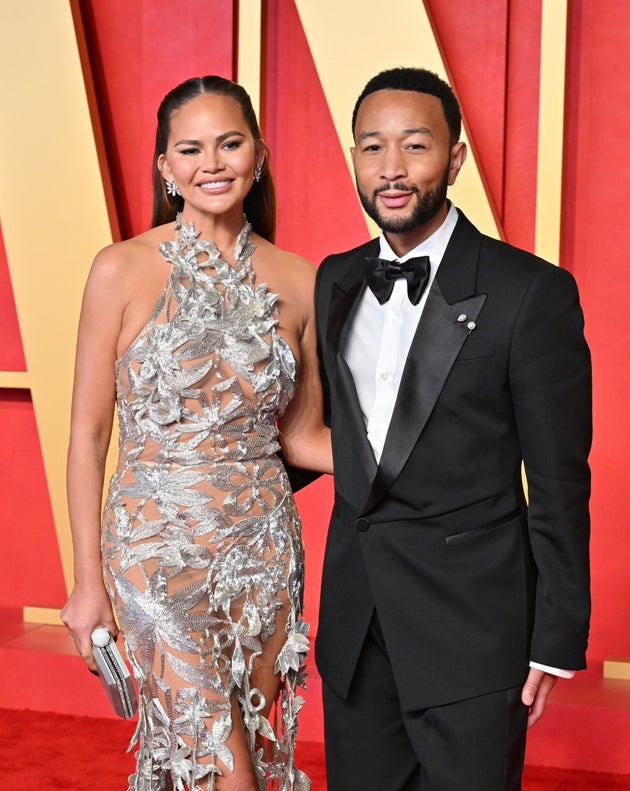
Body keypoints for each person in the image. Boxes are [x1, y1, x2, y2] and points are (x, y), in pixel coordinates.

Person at [314, 67, 591, 791]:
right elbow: (348, 440)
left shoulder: (530, 292)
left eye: (415, 146)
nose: (392, 169)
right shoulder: (334, 279)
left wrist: (555, 636)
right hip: (356, 626)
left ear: (456, 158)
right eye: (372, 148)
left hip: (472, 632)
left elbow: (559, 476)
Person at [61, 75, 331, 791]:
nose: (212, 163)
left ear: (259, 154)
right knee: (222, 762)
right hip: (154, 547)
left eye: (230, 143)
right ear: (165, 167)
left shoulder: (300, 281)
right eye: (191, 148)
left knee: (235, 750)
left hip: (262, 550)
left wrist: (435, 454)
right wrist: (87, 583)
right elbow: (88, 436)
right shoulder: (118, 269)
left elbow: (303, 435)